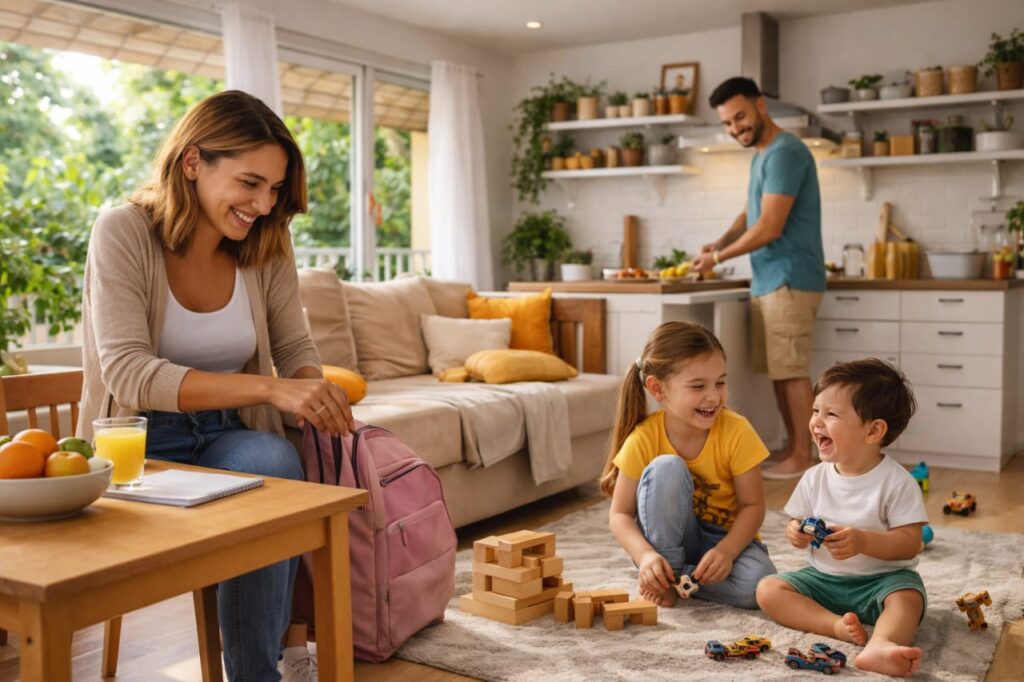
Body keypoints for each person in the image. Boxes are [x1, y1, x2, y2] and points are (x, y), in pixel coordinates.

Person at [78, 90, 354, 682]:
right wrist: (271, 390)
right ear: (193, 162)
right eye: (251, 183)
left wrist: (314, 394)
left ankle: (256, 674)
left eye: (275, 189)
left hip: (229, 436)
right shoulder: (122, 230)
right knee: (272, 463)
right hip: (138, 447)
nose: (263, 203)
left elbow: (295, 349)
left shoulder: (265, 243)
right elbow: (127, 370)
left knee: (275, 463)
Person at [756, 359, 927, 678]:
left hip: (881, 582)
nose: (817, 422)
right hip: (823, 579)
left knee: (908, 598)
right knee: (768, 589)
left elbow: (910, 543)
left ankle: (882, 644)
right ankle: (833, 625)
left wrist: (863, 541)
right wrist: (797, 533)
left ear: (873, 430)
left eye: (831, 414)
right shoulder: (813, 477)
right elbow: (796, 523)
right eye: (815, 410)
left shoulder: (896, 482)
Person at [692, 76, 826, 480]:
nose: (735, 129)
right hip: (770, 280)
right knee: (780, 371)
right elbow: (750, 214)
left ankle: (804, 456)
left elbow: (769, 226)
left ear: (760, 106)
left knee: (791, 371)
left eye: (740, 117)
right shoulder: (763, 155)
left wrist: (718, 257)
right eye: (728, 123)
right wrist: (719, 241)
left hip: (789, 277)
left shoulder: (786, 152)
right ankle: (793, 445)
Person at [599, 321, 775, 609]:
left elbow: (753, 506)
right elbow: (619, 514)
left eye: (720, 382)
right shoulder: (643, 438)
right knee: (666, 467)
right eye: (697, 386)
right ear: (658, 388)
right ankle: (665, 571)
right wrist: (645, 556)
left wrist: (727, 552)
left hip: (725, 540)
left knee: (759, 583)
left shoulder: (737, 431)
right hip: (665, 541)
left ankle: (676, 579)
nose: (713, 396)